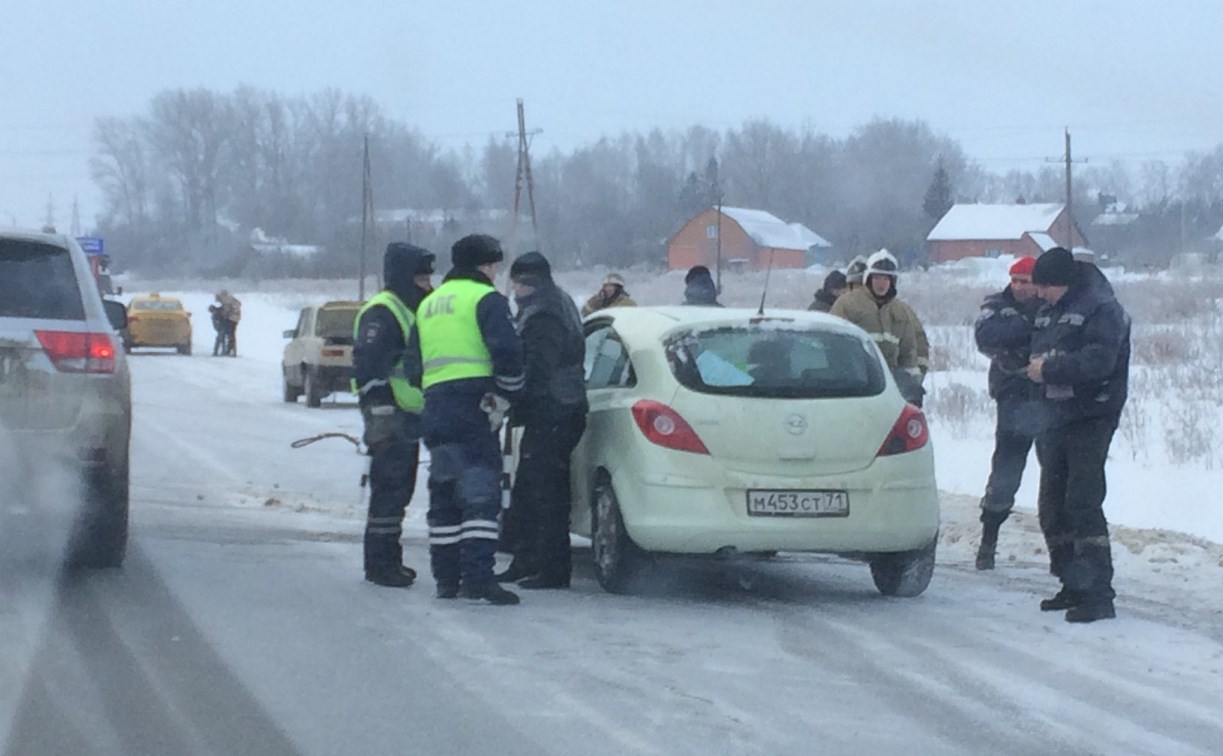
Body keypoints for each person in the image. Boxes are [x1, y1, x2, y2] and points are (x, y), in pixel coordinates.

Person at [415, 234, 525, 605]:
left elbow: (414, 363)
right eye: (495, 265)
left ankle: (446, 579)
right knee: (480, 494)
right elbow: (507, 352)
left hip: (435, 407)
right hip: (475, 406)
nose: (496, 272)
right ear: (486, 265)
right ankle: (478, 579)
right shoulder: (486, 299)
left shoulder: (429, 304)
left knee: (444, 494)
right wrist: (507, 394)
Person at [1027, 247, 1129, 623]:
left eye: (1045, 287)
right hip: (1053, 417)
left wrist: (1049, 369)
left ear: (1063, 283)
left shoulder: (1103, 309)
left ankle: (1098, 594)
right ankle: (1071, 582)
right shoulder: (1050, 309)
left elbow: (1100, 361)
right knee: (1052, 506)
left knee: (1082, 503)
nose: (1040, 294)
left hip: (1091, 417)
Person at [496, 252, 588, 589]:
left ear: (525, 283)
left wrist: (514, 399)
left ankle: (551, 569)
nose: (513, 289)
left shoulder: (543, 314)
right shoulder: (556, 301)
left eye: (516, 283)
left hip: (554, 410)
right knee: (529, 488)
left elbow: (538, 367)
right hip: (560, 407)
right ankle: (526, 559)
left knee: (547, 494)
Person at [351, 243, 434, 588]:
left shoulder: (408, 307)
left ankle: (390, 559)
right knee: (389, 488)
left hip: (408, 413)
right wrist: (381, 410)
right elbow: (371, 365)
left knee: (400, 489)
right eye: (421, 275)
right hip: (388, 412)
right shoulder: (383, 311)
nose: (427, 282)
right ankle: (379, 564)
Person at [972, 256, 1041, 570]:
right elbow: (986, 337)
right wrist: (1028, 329)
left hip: (1049, 399)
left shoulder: (1053, 306)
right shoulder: (997, 305)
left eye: (1025, 281)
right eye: (1015, 280)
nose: (1018, 287)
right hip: (1013, 398)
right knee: (1005, 472)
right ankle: (989, 540)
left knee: (1055, 474)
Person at [829, 249, 926, 404]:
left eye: (886, 279)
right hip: (853, 388)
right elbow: (833, 346)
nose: (882, 283)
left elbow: (908, 353)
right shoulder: (847, 304)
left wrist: (912, 387)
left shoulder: (900, 311)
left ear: (893, 281)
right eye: (877, 278)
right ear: (868, 279)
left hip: (890, 390)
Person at [216, 290, 241, 356]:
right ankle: (233, 350)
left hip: (231, 319)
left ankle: (228, 350)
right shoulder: (231, 299)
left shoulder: (226, 300)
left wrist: (222, 316)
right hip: (236, 319)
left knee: (228, 334)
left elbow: (226, 311)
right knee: (232, 334)